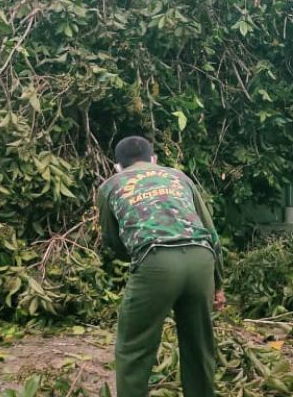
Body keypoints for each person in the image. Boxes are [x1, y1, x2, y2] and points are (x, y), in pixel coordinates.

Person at [96, 136, 224, 397]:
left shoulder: (111, 185)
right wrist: (218, 285)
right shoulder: (179, 177)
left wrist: (138, 258)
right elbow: (211, 233)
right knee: (198, 344)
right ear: (154, 159)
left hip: (156, 262)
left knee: (134, 348)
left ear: (118, 166)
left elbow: (112, 238)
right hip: (201, 259)